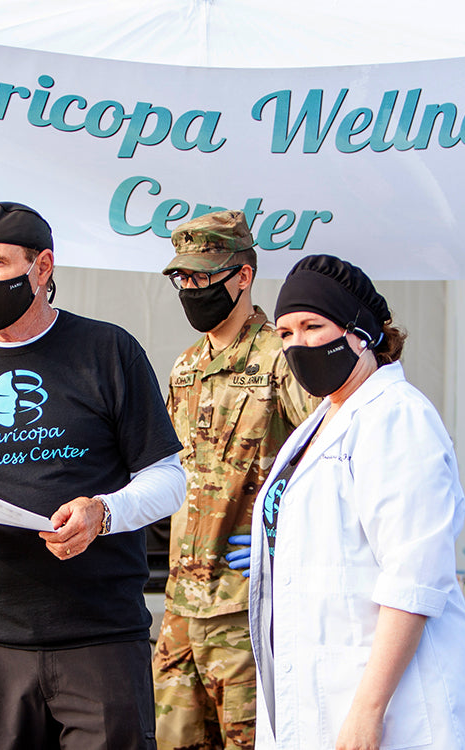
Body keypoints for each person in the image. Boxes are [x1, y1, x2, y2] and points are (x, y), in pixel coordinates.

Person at [0, 201, 185, 750]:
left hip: (99, 632)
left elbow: (168, 479)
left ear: (42, 267)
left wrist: (103, 513)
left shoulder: (108, 351)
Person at [235, 255, 465, 749]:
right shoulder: (322, 420)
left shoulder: (397, 418)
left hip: (394, 707)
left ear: (363, 333)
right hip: (320, 695)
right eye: (285, 333)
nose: (298, 344)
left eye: (313, 326)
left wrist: (368, 710)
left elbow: (413, 579)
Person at [154, 210, 317, 750]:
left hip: (246, 608)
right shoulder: (185, 366)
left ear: (242, 276)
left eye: (204, 276)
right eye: (185, 278)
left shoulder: (281, 359)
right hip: (181, 605)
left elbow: (327, 463)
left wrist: (286, 541)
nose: (193, 289)